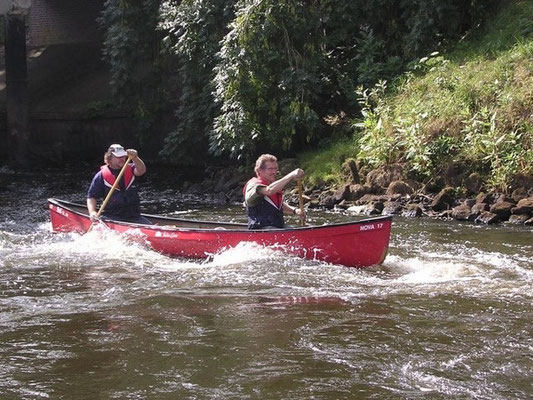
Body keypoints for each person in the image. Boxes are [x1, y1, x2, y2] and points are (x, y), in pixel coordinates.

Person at [87, 144, 152, 225]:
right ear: (110, 158)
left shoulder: (131, 168)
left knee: (150, 226)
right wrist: (92, 212)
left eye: (124, 156)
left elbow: (141, 170)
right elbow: (91, 197)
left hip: (134, 216)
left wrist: (135, 158)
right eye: (119, 157)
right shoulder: (101, 176)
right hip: (112, 217)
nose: (122, 159)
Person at [243, 154, 305, 229]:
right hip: (261, 229)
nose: (274, 172)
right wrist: (291, 175)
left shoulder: (273, 185)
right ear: (260, 170)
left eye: (275, 169)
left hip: (277, 227)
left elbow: (277, 205)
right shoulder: (253, 185)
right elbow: (269, 191)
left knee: (296, 230)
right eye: (270, 169)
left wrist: (295, 210)